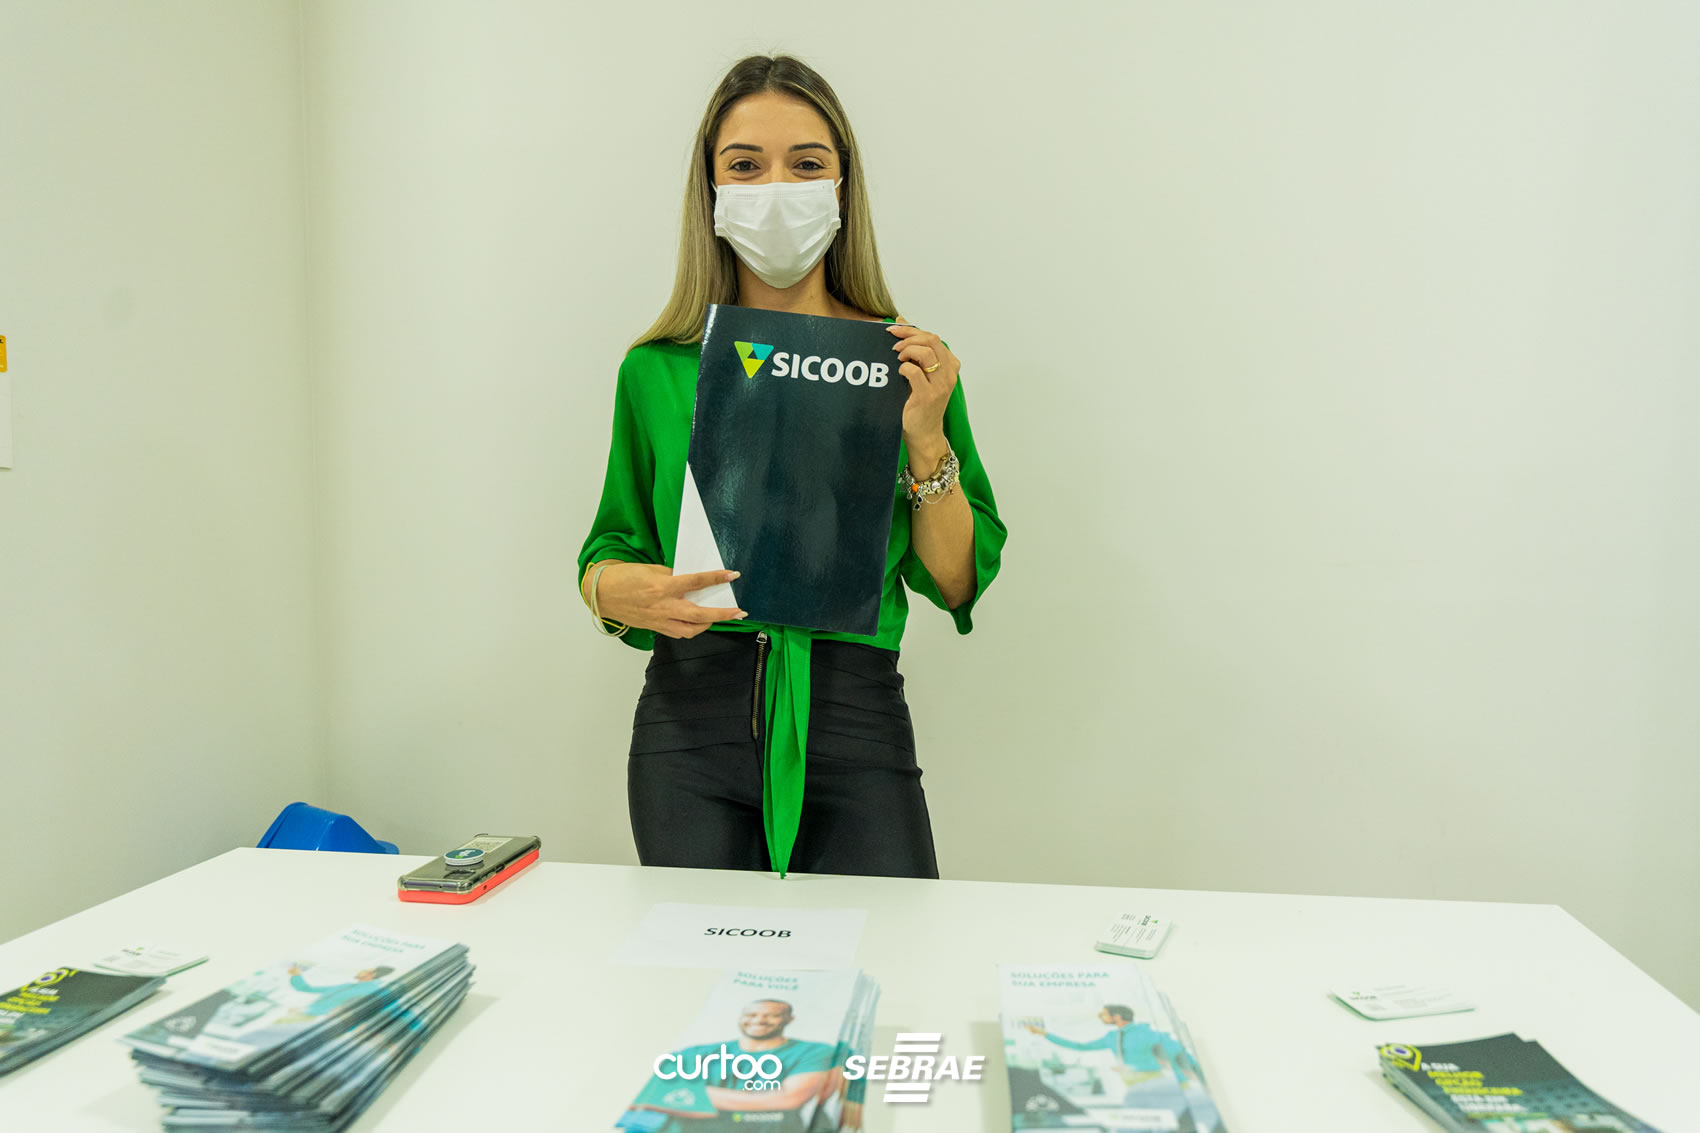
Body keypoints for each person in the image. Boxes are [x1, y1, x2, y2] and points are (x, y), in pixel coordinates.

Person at [578, 53, 1006, 880]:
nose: (776, 187)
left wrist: (925, 436)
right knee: (698, 960)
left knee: (889, 950)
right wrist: (612, 591)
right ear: (711, 190)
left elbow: (956, 581)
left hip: (855, 718)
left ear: (843, 187)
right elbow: (609, 547)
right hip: (689, 731)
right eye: (746, 165)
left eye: (806, 164)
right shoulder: (657, 370)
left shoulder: (908, 364)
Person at [629, 998, 836, 1130]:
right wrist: (758, 1101)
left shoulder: (813, 1051)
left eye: (771, 1015)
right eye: (751, 1015)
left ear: (789, 1019)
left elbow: (789, 1098)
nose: (759, 1020)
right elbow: (648, 1096)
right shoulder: (695, 1053)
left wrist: (696, 1095)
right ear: (740, 1018)